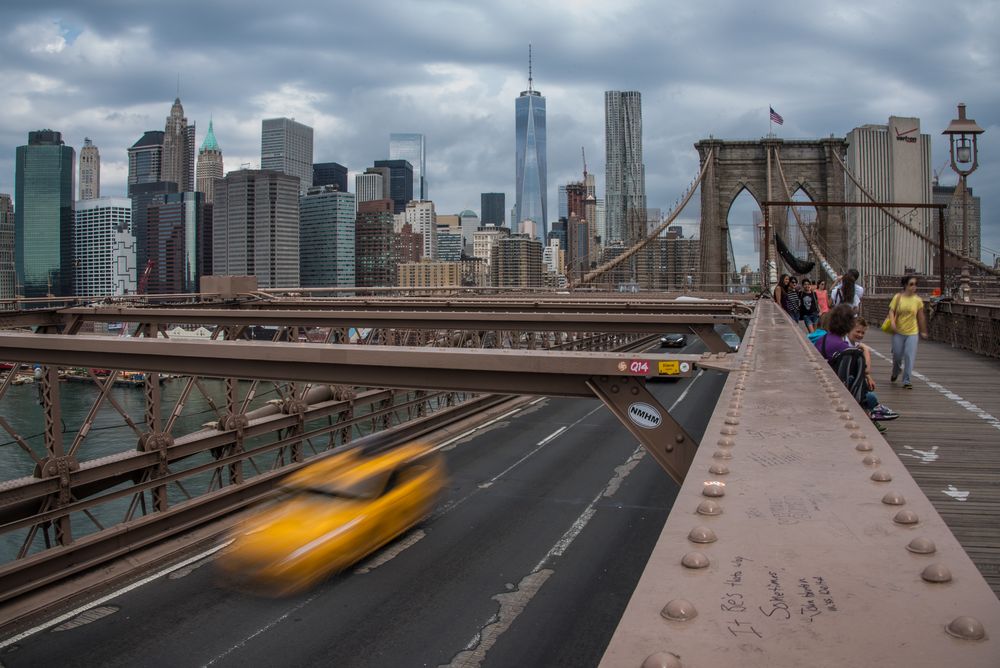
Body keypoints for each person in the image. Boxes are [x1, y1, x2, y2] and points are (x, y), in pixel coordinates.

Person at [848, 317, 899, 423]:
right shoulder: (848, 345)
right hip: (849, 382)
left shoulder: (855, 344)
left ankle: (873, 415)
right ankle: (874, 411)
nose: (860, 335)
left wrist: (868, 376)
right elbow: (865, 368)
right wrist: (865, 350)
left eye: (863, 333)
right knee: (870, 397)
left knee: (868, 390)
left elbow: (864, 370)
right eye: (858, 332)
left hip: (853, 380)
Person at [888, 275, 928, 389]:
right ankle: (896, 371)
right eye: (911, 284)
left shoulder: (918, 300)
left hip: (912, 332)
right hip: (898, 332)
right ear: (905, 285)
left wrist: (923, 331)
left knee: (909, 356)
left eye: (915, 284)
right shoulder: (898, 297)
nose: (914, 287)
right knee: (897, 355)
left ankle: (906, 380)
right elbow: (892, 311)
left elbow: (921, 316)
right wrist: (893, 323)